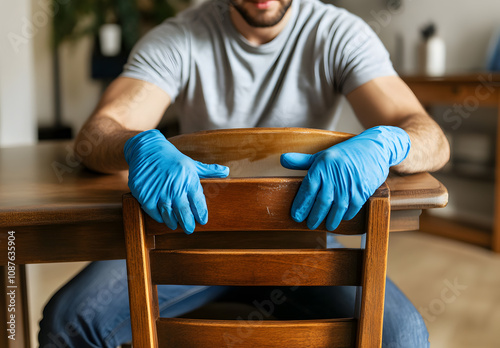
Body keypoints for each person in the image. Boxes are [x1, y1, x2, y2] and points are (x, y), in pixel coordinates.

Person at [38, 0, 450, 346]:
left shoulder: (338, 33)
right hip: (190, 235)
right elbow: (98, 131)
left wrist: (391, 142)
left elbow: (430, 135)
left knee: (404, 337)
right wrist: (135, 143)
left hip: (303, 241)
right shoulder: (180, 37)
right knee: (68, 324)